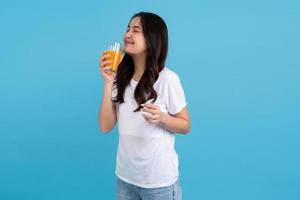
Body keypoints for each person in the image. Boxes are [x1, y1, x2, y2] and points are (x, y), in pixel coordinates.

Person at [98, 11, 190, 200]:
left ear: (151, 39)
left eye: (136, 30)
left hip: (158, 184)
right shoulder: (119, 77)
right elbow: (105, 127)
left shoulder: (168, 79)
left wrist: (162, 118)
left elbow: (185, 125)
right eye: (127, 29)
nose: (127, 34)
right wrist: (108, 82)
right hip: (125, 179)